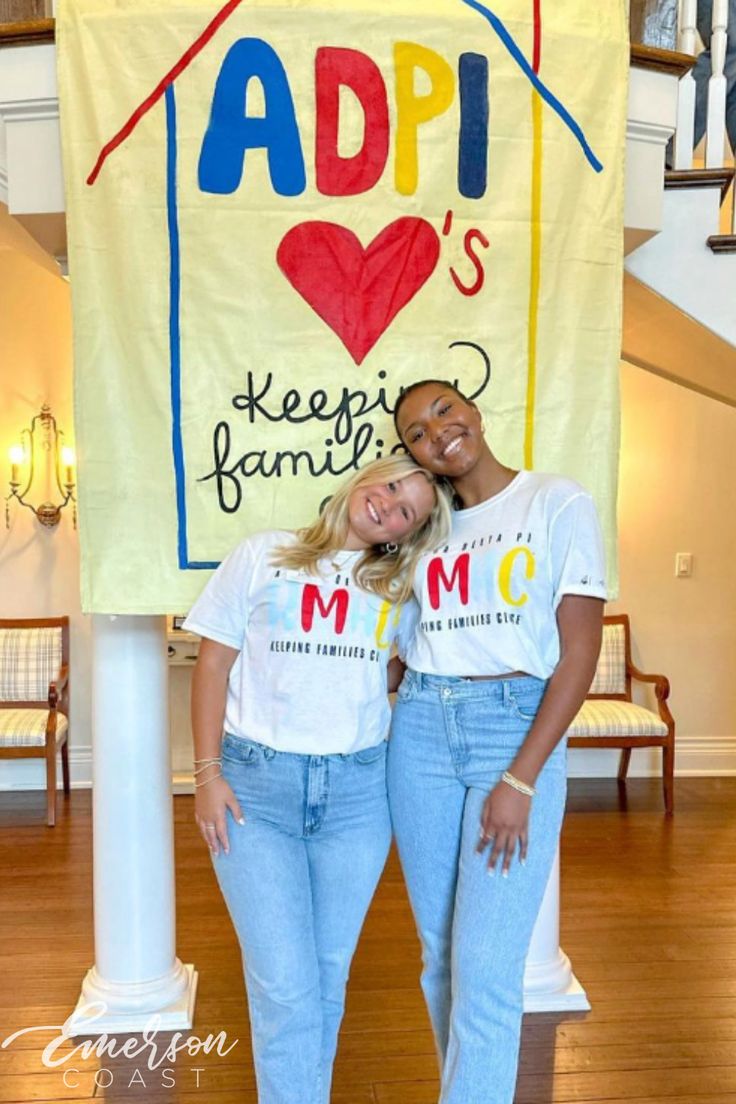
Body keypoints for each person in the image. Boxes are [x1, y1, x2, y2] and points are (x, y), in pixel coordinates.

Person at [183, 454, 452, 1104]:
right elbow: (213, 665)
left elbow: (395, 673)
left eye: (407, 510)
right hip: (256, 791)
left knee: (326, 979)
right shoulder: (262, 555)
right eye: (390, 485)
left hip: (358, 797)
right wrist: (206, 772)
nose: (389, 504)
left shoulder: (397, 588)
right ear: (365, 479)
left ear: (404, 534)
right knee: (283, 982)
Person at [387, 379, 606, 1104]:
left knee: (485, 966)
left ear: (473, 410)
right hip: (418, 728)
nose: (438, 432)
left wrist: (521, 778)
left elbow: (578, 652)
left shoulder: (557, 501)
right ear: (414, 455)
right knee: (441, 958)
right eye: (418, 432)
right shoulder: (426, 529)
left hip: (511, 729)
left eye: (444, 409)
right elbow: (398, 643)